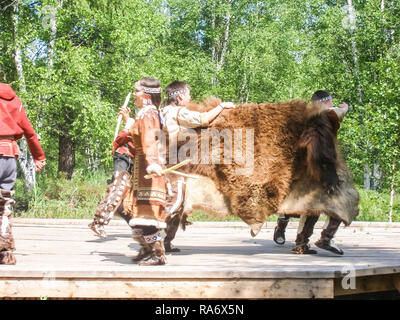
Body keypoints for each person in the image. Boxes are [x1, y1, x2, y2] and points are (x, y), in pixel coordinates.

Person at [158, 81, 235, 252]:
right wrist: (222, 106)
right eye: (188, 94)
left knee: (179, 205)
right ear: (180, 96)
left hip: (169, 163)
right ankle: (151, 240)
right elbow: (204, 119)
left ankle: (165, 242)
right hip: (171, 166)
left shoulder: (163, 110)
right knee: (175, 203)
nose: (190, 97)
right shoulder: (177, 112)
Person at [273, 90, 349, 255]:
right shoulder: (323, 114)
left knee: (313, 206)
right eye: (330, 100)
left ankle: (301, 243)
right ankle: (324, 238)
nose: (332, 103)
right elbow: (336, 112)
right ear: (326, 101)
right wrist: (345, 108)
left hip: (309, 169)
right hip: (316, 169)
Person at [0, 83, 46, 264]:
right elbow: (29, 132)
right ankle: (5, 252)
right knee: (4, 205)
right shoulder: (14, 101)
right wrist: (39, 156)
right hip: (10, 155)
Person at [127, 77, 168, 266]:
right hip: (143, 169)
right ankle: (148, 249)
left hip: (149, 170)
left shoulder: (148, 114)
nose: (134, 95)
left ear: (144, 95)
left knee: (148, 216)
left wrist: (152, 162)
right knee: (139, 215)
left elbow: (150, 140)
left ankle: (157, 252)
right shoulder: (146, 113)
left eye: (136, 91)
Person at [88, 106, 135, 238]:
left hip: (136, 161)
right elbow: (123, 135)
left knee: (130, 196)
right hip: (125, 156)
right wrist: (115, 146)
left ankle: (139, 227)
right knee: (119, 186)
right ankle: (98, 222)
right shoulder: (139, 120)